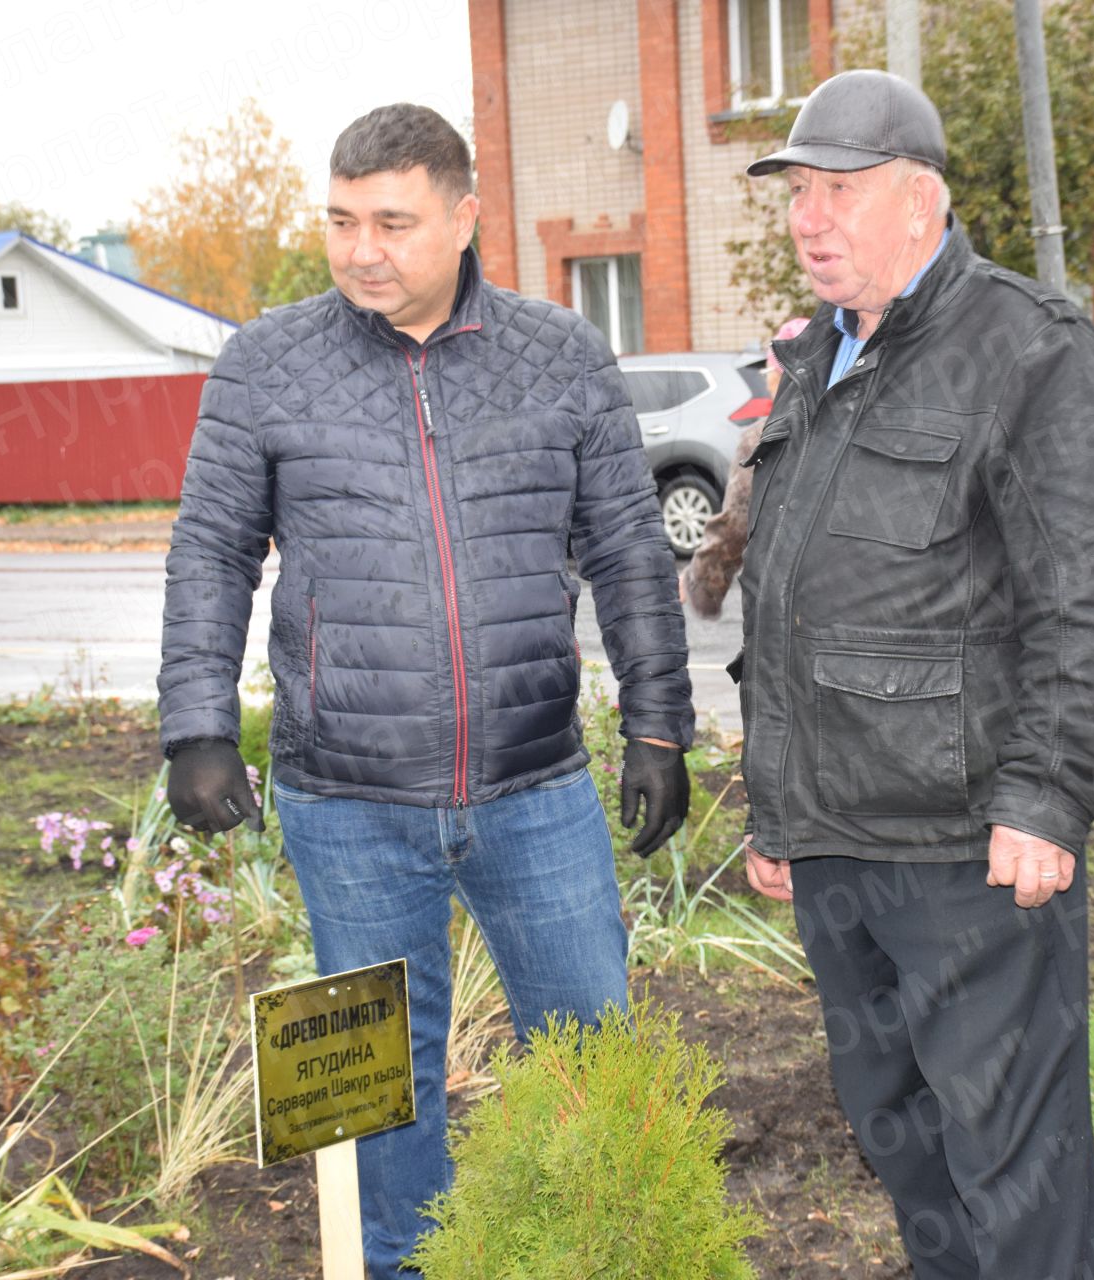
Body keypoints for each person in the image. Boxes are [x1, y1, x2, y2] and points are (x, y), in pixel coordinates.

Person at [155, 104, 693, 1277]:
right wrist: (198, 723)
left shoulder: (558, 356)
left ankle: (586, 1248)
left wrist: (658, 721)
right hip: (346, 800)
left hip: (534, 786)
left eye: (392, 222)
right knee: (379, 1086)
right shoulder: (265, 365)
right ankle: (400, 1263)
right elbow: (210, 550)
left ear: (464, 216)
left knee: (587, 1050)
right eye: (342, 221)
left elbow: (628, 551)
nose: (362, 250)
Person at [734, 70, 1094, 1279]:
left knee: (1014, 1168)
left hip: (972, 853)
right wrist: (777, 807)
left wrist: (1045, 796)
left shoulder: (1028, 348)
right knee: (901, 1142)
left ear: (924, 201)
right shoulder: (821, 355)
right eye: (799, 194)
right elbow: (788, 589)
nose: (812, 218)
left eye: (842, 191)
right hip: (838, 848)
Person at [680, 316, 811, 618]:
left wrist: (702, 584)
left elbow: (737, 525)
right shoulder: (856, 421)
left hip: (788, 600)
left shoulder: (763, 438)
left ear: (780, 376)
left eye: (769, 371)